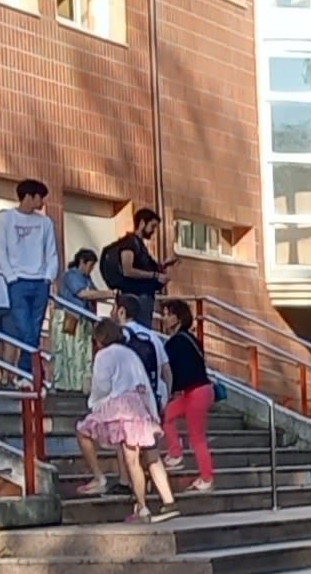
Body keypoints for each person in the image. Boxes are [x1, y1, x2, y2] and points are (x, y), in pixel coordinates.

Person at [75, 308, 178, 521]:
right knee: (151, 455)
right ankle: (168, 501)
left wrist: (95, 403)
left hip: (120, 404)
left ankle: (138, 505)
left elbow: (101, 386)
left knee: (87, 433)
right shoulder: (130, 353)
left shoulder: (104, 355)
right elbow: (145, 384)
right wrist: (153, 413)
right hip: (140, 403)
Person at [0, 178, 61, 363]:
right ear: (29, 197)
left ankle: (26, 372)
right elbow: (0, 248)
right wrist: (10, 276)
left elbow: (52, 252)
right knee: (24, 328)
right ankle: (30, 371)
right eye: (40, 197)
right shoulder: (5, 218)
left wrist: (48, 277)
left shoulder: (45, 222)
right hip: (17, 281)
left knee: (35, 329)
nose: (42, 202)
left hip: (40, 281)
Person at [153, 296, 213, 480]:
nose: (164, 318)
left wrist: (169, 392)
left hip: (195, 392)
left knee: (196, 437)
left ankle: (206, 478)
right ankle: (175, 453)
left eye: (168, 315)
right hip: (196, 391)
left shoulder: (175, 343)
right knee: (167, 416)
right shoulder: (191, 340)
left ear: (178, 318)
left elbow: (174, 372)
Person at [99, 205, 172, 324]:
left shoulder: (138, 245)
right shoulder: (130, 243)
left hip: (141, 295)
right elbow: (128, 270)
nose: (153, 231)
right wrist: (155, 276)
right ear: (142, 223)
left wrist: (162, 266)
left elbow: (144, 267)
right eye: (152, 226)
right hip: (135, 296)